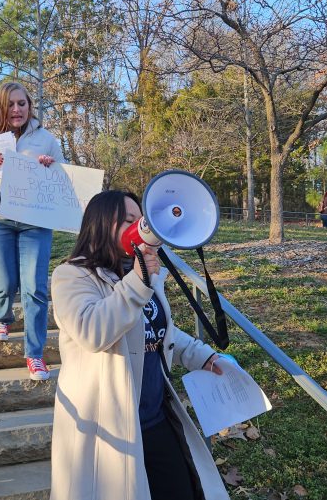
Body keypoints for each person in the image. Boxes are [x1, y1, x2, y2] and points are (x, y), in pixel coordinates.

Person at [50, 190, 231, 500]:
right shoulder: (71, 276)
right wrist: (138, 280)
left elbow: (158, 332)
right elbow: (93, 332)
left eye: (142, 219)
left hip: (154, 416)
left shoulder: (140, 273)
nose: (141, 227)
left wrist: (201, 356)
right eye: (129, 220)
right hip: (108, 426)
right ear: (101, 224)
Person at [0, 82, 66, 381]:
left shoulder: (46, 139)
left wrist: (48, 167)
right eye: (10, 104)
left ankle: (34, 354)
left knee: (35, 288)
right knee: (4, 281)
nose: (17, 109)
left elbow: (63, 178)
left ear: (29, 106)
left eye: (22, 103)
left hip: (34, 222)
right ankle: (2, 317)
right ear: (0, 106)